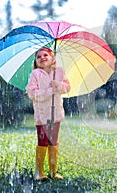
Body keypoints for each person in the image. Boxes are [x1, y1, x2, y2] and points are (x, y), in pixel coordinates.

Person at [26, 48, 71, 180]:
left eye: (46, 55)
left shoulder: (59, 72)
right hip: (42, 115)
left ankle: (53, 171)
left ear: (52, 57)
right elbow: (32, 93)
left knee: (53, 141)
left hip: (55, 114)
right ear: (36, 61)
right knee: (43, 141)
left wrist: (59, 85)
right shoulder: (35, 74)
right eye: (39, 57)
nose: (42, 58)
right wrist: (48, 92)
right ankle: (39, 172)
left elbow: (67, 88)